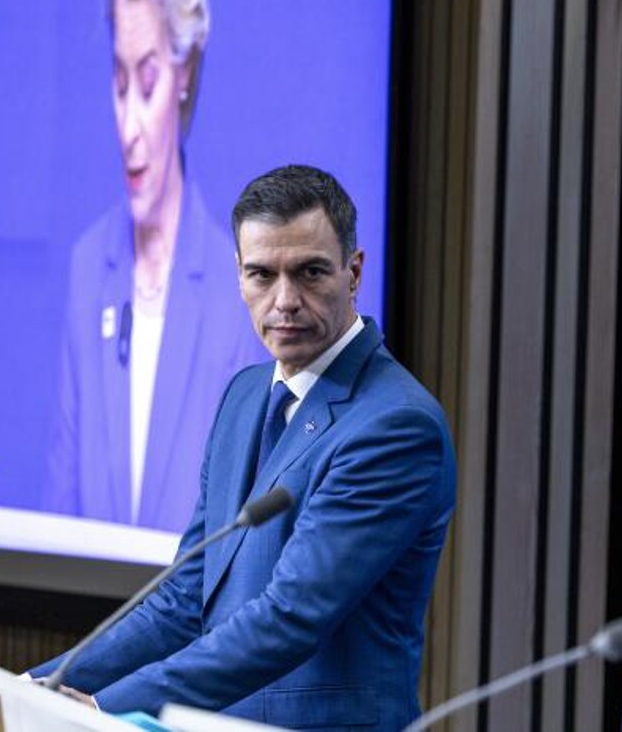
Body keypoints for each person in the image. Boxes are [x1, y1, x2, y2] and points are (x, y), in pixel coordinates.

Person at [32, 165, 457, 730]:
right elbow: (184, 599)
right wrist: (41, 689)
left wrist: (105, 707)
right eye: (262, 275)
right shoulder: (244, 394)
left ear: (354, 273)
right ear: (237, 276)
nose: (284, 301)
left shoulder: (396, 426)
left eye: (309, 273)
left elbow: (289, 618)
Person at [47, 0, 262, 531]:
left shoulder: (238, 290)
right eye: (118, 85)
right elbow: (57, 521)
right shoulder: (89, 269)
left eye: (147, 84)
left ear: (185, 70)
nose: (130, 127)